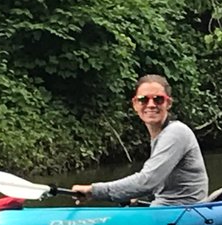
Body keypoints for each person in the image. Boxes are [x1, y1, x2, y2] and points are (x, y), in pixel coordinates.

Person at [71, 74, 209, 206]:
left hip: (183, 212)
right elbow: (158, 184)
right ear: (135, 104)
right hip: (167, 209)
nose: (151, 105)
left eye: (158, 99)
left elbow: (148, 181)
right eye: (143, 99)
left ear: (168, 103)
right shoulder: (160, 136)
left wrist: (93, 191)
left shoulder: (176, 132)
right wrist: (134, 196)